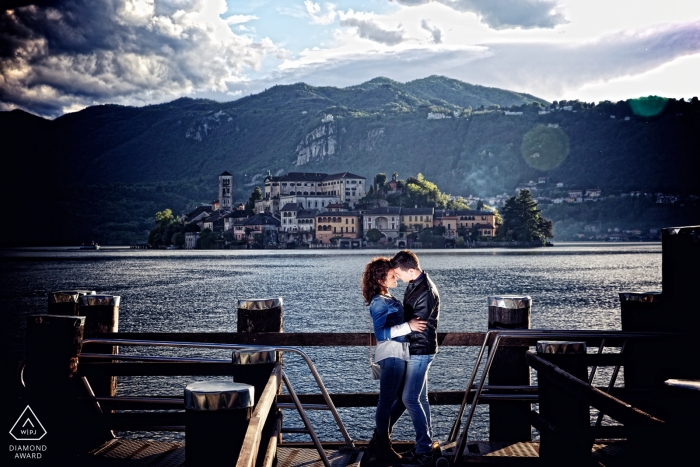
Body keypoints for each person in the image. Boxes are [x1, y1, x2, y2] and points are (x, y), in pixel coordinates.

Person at [362, 257, 426, 463]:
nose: (396, 276)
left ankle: (378, 439)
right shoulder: (379, 302)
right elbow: (380, 333)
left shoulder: (386, 297)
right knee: (387, 400)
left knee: (402, 399)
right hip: (391, 355)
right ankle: (383, 445)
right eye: (392, 274)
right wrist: (409, 326)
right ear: (381, 279)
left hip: (398, 353)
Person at [390, 250, 440, 466]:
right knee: (421, 399)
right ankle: (425, 446)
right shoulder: (416, 284)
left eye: (399, 274)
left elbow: (416, 326)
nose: (398, 279)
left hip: (421, 350)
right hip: (419, 348)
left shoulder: (426, 292)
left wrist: (391, 330)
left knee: (409, 398)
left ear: (411, 270)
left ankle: (424, 450)